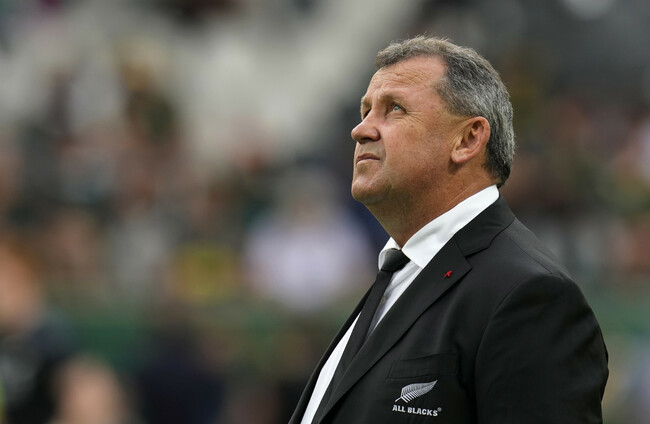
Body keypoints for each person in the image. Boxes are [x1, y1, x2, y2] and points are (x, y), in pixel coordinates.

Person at [290, 36, 608, 424]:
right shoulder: (399, 272)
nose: (361, 130)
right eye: (366, 110)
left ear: (468, 139)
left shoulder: (531, 297)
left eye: (394, 109)